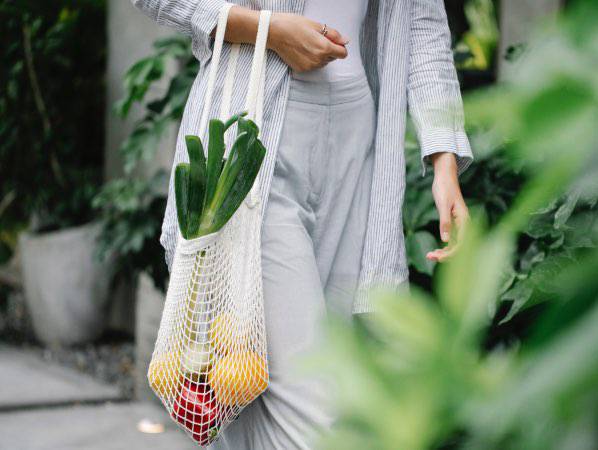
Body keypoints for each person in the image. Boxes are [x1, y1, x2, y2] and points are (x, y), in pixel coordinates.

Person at [132, 0, 473, 448]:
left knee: (256, 389)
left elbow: (422, 21)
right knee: (314, 411)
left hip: (357, 146)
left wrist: (444, 161)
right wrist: (267, 30)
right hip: (255, 139)